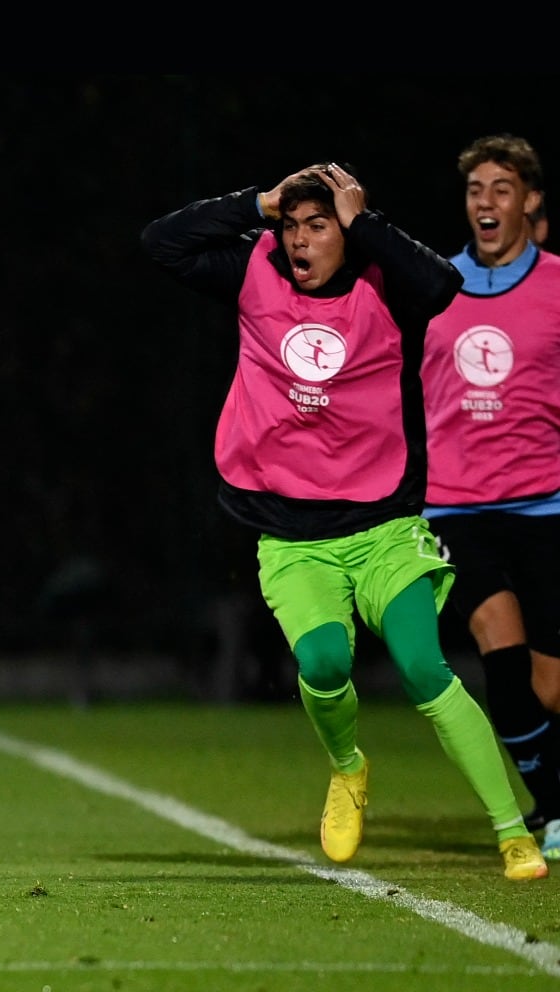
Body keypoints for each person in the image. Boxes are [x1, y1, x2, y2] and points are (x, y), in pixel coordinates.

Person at [140, 161, 548, 881]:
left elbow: (442, 286)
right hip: (294, 539)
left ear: (346, 229)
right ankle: (347, 767)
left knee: (426, 669)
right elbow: (162, 243)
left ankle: (512, 831)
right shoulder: (254, 270)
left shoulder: (385, 281)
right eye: (291, 226)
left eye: (317, 225)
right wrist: (254, 202)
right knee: (325, 663)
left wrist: (367, 222)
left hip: (384, 528)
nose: (299, 241)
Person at [421, 134, 560, 862]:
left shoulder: (559, 285)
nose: (486, 202)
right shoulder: (435, 284)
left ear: (530, 200)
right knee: (498, 660)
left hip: (547, 508)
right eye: (476, 190)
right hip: (457, 507)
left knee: (551, 684)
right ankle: (554, 808)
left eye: (501, 189)